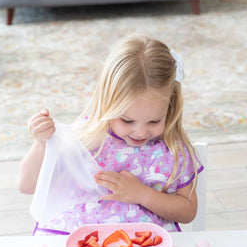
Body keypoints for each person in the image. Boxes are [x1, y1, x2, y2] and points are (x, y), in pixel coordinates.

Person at [18, 34, 203, 235]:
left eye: (154, 121)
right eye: (127, 120)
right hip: (77, 240)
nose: (141, 132)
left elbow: (188, 211)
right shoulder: (87, 136)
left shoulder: (172, 148)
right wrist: (42, 144)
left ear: (171, 107)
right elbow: (27, 185)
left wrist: (142, 195)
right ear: (107, 103)